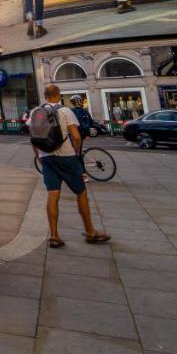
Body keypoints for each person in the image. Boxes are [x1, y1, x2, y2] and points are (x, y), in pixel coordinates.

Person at [32, 84, 111, 248]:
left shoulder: (36, 112)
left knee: (52, 194)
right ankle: (90, 231)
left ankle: (54, 236)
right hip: (66, 157)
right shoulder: (65, 111)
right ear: (59, 95)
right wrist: (76, 152)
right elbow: (76, 136)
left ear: (45, 96)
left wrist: (38, 156)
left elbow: (33, 137)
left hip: (47, 158)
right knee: (81, 192)